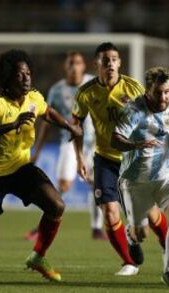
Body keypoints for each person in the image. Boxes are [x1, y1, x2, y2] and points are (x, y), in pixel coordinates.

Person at [0, 49, 82, 284]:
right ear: (8, 77)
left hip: (20, 168)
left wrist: (69, 127)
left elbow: (48, 112)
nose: (26, 78)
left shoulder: (33, 97)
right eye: (20, 75)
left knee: (56, 205)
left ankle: (38, 257)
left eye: (28, 73)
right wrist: (12, 125)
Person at [72, 42, 168, 276]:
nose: (110, 63)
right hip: (104, 159)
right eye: (105, 60)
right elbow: (76, 125)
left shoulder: (133, 88)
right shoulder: (86, 93)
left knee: (150, 216)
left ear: (120, 63)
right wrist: (78, 158)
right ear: (97, 64)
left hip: (133, 160)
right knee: (109, 211)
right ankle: (129, 263)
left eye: (114, 59)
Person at [111, 67, 169, 288]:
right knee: (141, 232)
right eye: (158, 92)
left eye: (167, 91)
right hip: (134, 180)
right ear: (148, 90)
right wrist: (136, 144)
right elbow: (115, 140)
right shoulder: (133, 110)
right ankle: (132, 235)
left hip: (166, 172)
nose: (163, 97)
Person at [26, 51, 106, 241]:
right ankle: (42, 226)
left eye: (77, 63)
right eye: (70, 63)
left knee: (98, 186)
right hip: (69, 143)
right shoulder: (56, 90)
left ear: (83, 66)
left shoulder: (94, 85)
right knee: (63, 184)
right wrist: (37, 150)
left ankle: (97, 229)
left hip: (94, 144)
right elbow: (46, 121)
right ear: (65, 67)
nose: (74, 67)